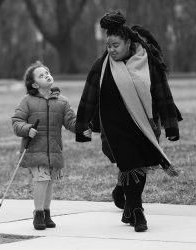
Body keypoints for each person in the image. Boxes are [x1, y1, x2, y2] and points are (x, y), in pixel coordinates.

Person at [75, 11, 182, 232]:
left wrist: (170, 125)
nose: (111, 50)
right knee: (129, 164)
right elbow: (89, 95)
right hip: (113, 126)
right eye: (108, 45)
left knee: (140, 164)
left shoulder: (147, 61)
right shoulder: (102, 65)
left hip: (145, 123)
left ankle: (124, 197)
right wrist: (82, 127)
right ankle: (137, 210)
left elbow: (162, 93)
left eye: (115, 45)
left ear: (128, 43)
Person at [12, 61, 90, 230]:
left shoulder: (61, 101)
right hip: (35, 150)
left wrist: (82, 128)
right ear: (34, 84)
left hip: (54, 150)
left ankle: (46, 212)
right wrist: (27, 129)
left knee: (49, 183)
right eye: (41, 75)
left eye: (47, 72)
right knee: (42, 180)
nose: (47, 75)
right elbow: (17, 122)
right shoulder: (27, 101)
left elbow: (71, 122)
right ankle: (38, 213)